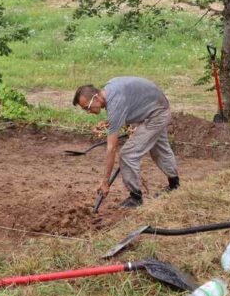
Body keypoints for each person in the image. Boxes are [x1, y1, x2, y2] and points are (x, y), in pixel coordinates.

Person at [73, 77, 179, 208]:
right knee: (159, 150)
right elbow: (128, 103)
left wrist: (105, 182)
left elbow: (111, 148)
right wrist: (114, 122)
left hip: (157, 114)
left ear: (96, 98)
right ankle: (175, 185)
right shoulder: (109, 88)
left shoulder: (114, 104)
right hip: (155, 107)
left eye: (86, 108)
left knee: (128, 154)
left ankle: (135, 198)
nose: (88, 112)